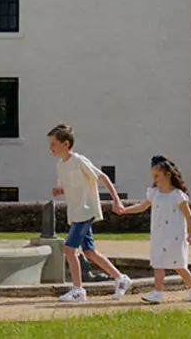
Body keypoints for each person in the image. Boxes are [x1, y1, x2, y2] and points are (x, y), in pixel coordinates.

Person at [47, 123, 133, 302]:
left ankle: (78, 290)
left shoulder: (79, 161)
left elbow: (103, 177)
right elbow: (74, 187)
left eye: (53, 144)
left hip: (85, 212)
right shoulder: (60, 166)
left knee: (69, 249)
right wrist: (60, 191)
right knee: (89, 252)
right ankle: (121, 278)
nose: (51, 148)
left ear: (66, 144)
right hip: (77, 213)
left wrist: (116, 200)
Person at [117, 155, 191, 304]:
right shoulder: (154, 193)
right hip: (159, 234)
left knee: (178, 265)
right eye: (153, 176)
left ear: (167, 174)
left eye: (157, 175)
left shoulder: (178, 196)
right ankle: (159, 292)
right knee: (158, 262)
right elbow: (142, 206)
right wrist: (125, 210)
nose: (155, 179)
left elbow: (188, 215)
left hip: (175, 236)